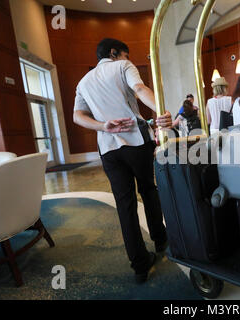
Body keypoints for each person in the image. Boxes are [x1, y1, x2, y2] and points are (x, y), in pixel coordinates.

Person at [73, 38, 171, 284]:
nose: (128, 60)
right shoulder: (122, 66)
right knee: (148, 190)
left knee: (124, 204)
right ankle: (160, 241)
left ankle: (139, 265)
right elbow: (139, 89)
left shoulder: (83, 82)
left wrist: (103, 126)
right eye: (126, 55)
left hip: (108, 149)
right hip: (135, 142)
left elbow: (77, 116)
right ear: (115, 53)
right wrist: (162, 111)